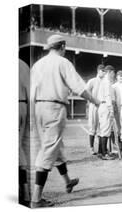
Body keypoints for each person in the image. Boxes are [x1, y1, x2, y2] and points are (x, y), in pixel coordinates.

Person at [30, 34, 100, 208]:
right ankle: (36, 199)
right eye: (65, 46)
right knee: (49, 150)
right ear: (61, 46)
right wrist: (96, 101)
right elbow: (79, 87)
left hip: (38, 107)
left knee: (55, 147)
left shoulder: (38, 64)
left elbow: (31, 90)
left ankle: (67, 181)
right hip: (54, 107)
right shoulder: (63, 62)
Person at [86, 64, 106, 155]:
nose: (103, 72)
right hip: (94, 105)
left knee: (101, 127)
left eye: (104, 71)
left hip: (102, 106)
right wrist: (92, 100)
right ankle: (91, 147)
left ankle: (101, 149)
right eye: (102, 70)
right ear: (98, 71)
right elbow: (86, 91)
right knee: (92, 126)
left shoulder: (106, 81)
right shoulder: (92, 81)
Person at [97, 65, 116, 160]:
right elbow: (108, 97)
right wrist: (111, 110)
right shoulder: (107, 82)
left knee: (102, 129)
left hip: (101, 106)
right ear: (109, 72)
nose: (114, 75)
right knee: (106, 130)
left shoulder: (103, 81)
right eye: (113, 73)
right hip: (105, 106)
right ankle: (104, 153)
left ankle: (101, 151)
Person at [19, 59, 30, 206]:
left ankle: (26, 192)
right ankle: (25, 192)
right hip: (22, 105)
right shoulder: (23, 64)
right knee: (19, 148)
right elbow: (30, 91)